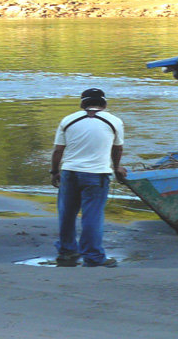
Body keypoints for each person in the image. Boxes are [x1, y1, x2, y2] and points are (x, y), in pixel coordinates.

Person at [50, 88, 125, 267]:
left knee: (67, 214)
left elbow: (58, 150)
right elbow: (117, 148)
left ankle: (67, 252)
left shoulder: (68, 120)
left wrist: (54, 172)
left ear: (82, 103)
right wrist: (117, 168)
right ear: (104, 104)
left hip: (70, 172)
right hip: (97, 174)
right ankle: (93, 256)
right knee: (92, 215)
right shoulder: (114, 121)